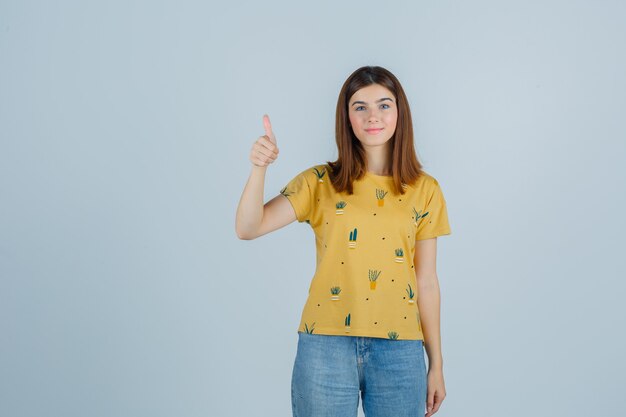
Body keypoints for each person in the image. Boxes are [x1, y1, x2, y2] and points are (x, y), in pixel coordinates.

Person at [235, 65, 451, 417]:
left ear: (400, 113)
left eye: (384, 105)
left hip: (400, 351)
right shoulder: (320, 182)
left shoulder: (425, 190)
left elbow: (426, 281)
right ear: (346, 117)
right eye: (359, 107)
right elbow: (248, 227)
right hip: (325, 344)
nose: (373, 116)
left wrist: (436, 363)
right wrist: (259, 168)